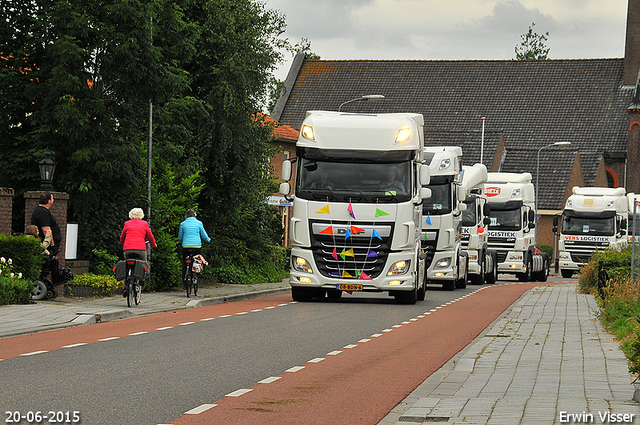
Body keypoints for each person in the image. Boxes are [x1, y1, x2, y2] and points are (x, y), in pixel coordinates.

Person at [30, 191, 62, 282]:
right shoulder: (42, 212)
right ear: (48, 200)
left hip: (50, 245)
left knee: (54, 262)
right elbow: (46, 230)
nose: (53, 200)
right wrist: (51, 245)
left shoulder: (43, 211)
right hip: (48, 246)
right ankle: (55, 279)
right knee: (51, 262)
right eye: (52, 198)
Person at [178, 209, 210, 289]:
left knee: (185, 263)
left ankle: (185, 283)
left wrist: (181, 241)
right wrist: (208, 240)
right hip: (196, 247)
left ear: (186, 216)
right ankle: (195, 277)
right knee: (197, 261)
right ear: (195, 215)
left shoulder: (183, 224)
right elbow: (204, 235)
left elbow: (180, 237)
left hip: (186, 247)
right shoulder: (199, 223)